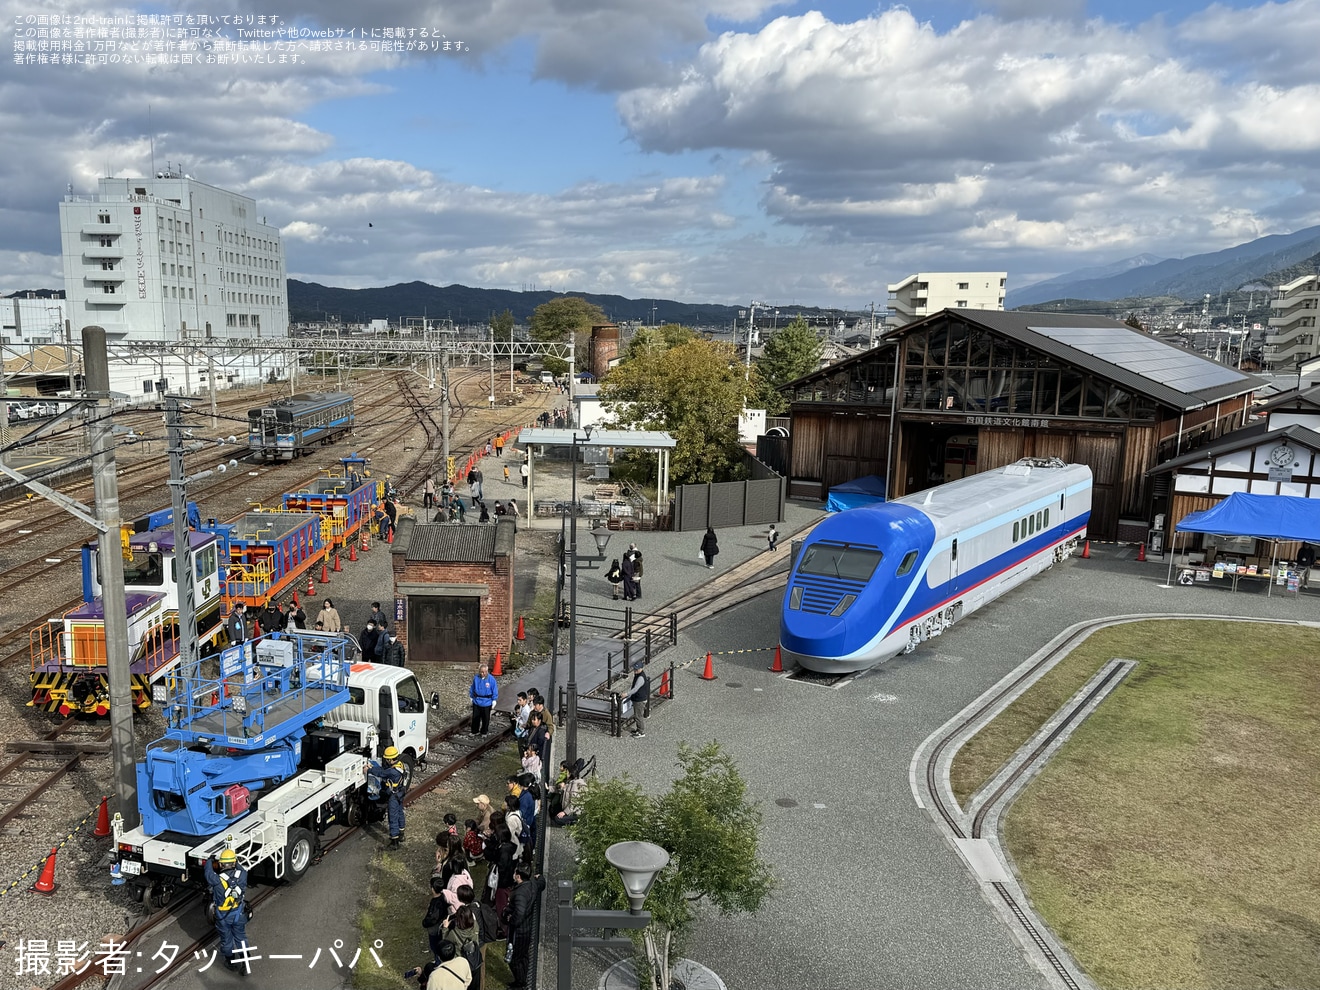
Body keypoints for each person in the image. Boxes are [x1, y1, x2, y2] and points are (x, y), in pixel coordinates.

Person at [203, 848, 249, 971]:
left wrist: (210, 860)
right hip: (238, 913)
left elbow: (208, 873)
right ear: (234, 863)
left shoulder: (216, 880)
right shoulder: (242, 875)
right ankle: (245, 963)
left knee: (226, 940)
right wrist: (236, 861)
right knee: (241, 937)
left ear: (221, 864)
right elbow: (240, 868)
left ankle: (230, 962)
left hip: (223, 916)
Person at [504, 867, 546, 990]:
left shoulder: (520, 893)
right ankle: (524, 978)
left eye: (515, 872)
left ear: (518, 876)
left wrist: (511, 920)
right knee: (523, 955)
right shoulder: (533, 885)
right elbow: (542, 884)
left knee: (515, 959)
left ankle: (520, 983)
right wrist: (540, 877)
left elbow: (520, 912)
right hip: (526, 927)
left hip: (519, 931)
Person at [365, 745, 407, 847]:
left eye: (387, 759)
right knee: (399, 812)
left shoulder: (392, 771)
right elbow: (384, 770)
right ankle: (401, 833)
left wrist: (369, 770)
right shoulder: (400, 765)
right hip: (400, 793)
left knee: (392, 816)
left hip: (394, 795)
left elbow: (381, 773)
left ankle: (395, 841)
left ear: (390, 759)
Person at [620, 661, 650, 738]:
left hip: (639, 699)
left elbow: (635, 689)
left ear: (641, 668)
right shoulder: (639, 675)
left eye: (637, 669)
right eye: (634, 669)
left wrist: (627, 694)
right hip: (638, 698)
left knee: (638, 716)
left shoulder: (640, 678)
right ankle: (639, 730)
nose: (635, 670)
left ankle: (641, 731)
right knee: (637, 715)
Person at [469, 661, 498, 735]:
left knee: (486, 719)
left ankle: (484, 731)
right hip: (477, 700)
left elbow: (494, 689)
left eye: (485, 672)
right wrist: (471, 696)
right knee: (475, 717)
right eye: (481, 672)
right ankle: (474, 731)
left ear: (487, 671)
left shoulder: (491, 679)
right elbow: (472, 688)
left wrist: (494, 700)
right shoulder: (476, 678)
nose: (483, 673)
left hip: (487, 701)